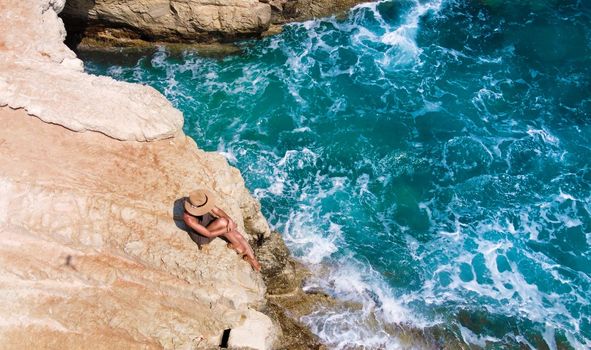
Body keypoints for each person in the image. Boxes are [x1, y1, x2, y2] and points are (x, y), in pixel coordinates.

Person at [182, 189, 261, 271]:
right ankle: (237, 245)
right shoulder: (188, 219)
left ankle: (252, 258)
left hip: (207, 223)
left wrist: (230, 221)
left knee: (234, 232)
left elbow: (217, 210)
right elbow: (208, 234)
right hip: (201, 235)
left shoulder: (201, 202)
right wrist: (226, 229)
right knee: (224, 223)